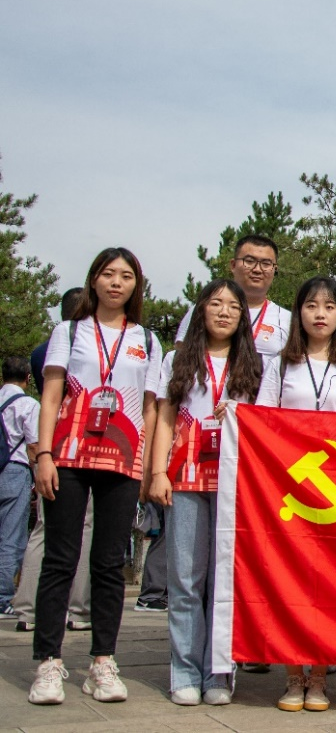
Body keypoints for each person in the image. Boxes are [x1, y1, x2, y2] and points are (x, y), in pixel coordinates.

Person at [29, 247, 163, 705]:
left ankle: (103, 662)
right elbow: (51, 396)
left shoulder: (147, 340)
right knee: (60, 559)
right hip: (68, 455)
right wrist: (44, 455)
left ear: (136, 286)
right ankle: (48, 662)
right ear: (93, 280)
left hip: (121, 461)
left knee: (108, 564)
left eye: (126, 276)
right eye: (108, 274)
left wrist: (145, 466)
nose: (116, 283)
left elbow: (150, 408)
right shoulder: (69, 332)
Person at [148, 279, 262, 707]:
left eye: (233, 306)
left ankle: (219, 673)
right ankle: (184, 672)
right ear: (201, 310)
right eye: (216, 303)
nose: (224, 312)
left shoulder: (254, 364)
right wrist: (157, 472)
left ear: (242, 316)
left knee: (224, 582)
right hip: (185, 478)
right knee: (184, 579)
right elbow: (165, 418)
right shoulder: (177, 359)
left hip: (235, 484)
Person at [256, 276, 336, 711]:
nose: (320, 314)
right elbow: (262, 421)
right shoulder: (281, 366)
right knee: (290, 583)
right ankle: (292, 676)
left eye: (330, 306)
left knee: (327, 586)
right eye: (312, 305)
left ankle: (318, 676)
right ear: (298, 312)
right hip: (288, 491)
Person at [17, 288, 92, 632]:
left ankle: (28, 608)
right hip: (80, 442)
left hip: (49, 440)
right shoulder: (84, 345)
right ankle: (76, 608)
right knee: (85, 525)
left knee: (45, 527)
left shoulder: (39, 351)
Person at [175, 235, 290, 360]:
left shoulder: (287, 320)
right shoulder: (204, 309)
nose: (257, 269)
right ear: (233, 265)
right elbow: (181, 356)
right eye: (249, 261)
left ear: (275, 269)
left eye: (266, 264)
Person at [0, 357, 39, 618]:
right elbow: (33, 445)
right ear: (27, 377)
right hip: (14, 470)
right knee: (11, 536)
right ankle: (2, 597)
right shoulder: (28, 404)